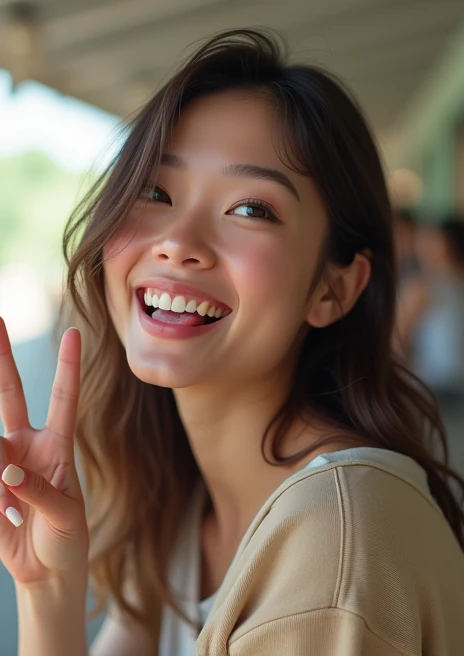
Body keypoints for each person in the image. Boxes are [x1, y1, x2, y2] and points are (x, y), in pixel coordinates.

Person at [0, 28, 463, 656]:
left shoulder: (336, 544)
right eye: (156, 192)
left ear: (333, 288)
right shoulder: (184, 507)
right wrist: (48, 592)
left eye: (252, 209)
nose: (178, 240)